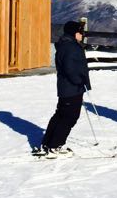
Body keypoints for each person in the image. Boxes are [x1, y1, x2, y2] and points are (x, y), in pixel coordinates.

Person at [38, 20, 91, 157]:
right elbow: (70, 68)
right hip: (72, 88)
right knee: (69, 117)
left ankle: (47, 143)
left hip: (66, 87)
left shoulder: (66, 44)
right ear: (75, 33)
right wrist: (80, 81)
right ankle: (55, 145)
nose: (82, 35)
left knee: (60, 115)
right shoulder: (71, 47)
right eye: (80, 32)